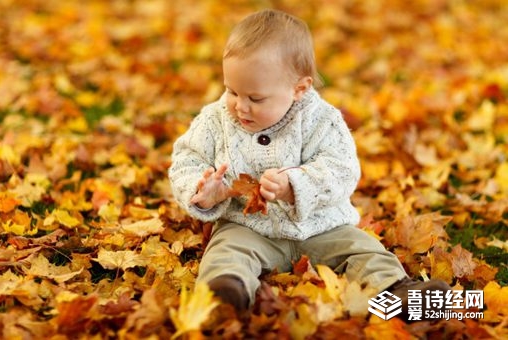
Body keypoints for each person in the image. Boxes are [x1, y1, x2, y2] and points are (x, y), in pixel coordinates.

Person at [168, 9, 450, 319]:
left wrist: (296, 185)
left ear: (299, 89)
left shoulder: (322, 120)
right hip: (248, 228)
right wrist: (202, 190)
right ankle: (225, 294)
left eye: (256, 98)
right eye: (231, 90)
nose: (240, 106)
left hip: (321, 226)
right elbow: (187, 159)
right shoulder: (214, 119)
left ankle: (397, 293)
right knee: (226, 252)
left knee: (362, 249)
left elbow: (342, 169)